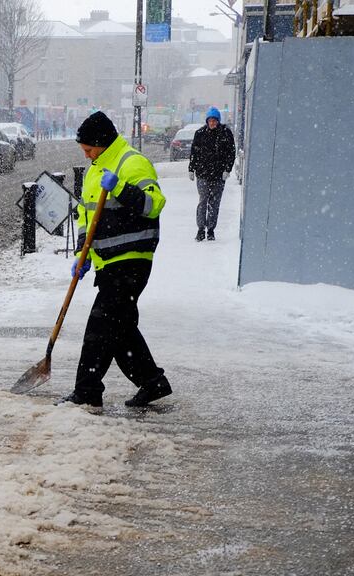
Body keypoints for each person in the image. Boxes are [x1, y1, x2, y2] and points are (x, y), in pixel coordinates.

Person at [57, 111, 172, 411]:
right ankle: (152, 382)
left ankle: (87, 391)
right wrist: (82, 252)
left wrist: (120, 187)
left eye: (88, 148)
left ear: (102, 142)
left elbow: (153, 205)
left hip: (132, 261)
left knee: (100, 326)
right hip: (106, 263)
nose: (85, 153)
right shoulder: (96, 170)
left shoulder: (132, 163)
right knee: (120, 331)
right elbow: (86, 215)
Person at [188, 107, 235, 241]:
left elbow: (231, 153)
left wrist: (227, 169)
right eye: (210, 120)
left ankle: (211, 229)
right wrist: (191, 169)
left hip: (219, 176)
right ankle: (200, 229)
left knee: (214, 203)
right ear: (207, 120)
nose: (212, 122)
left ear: (218, 121)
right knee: (203, 201)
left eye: (215, 120)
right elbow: (194, 153)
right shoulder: (200, 134)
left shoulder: (225, 134)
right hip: (203, 174)